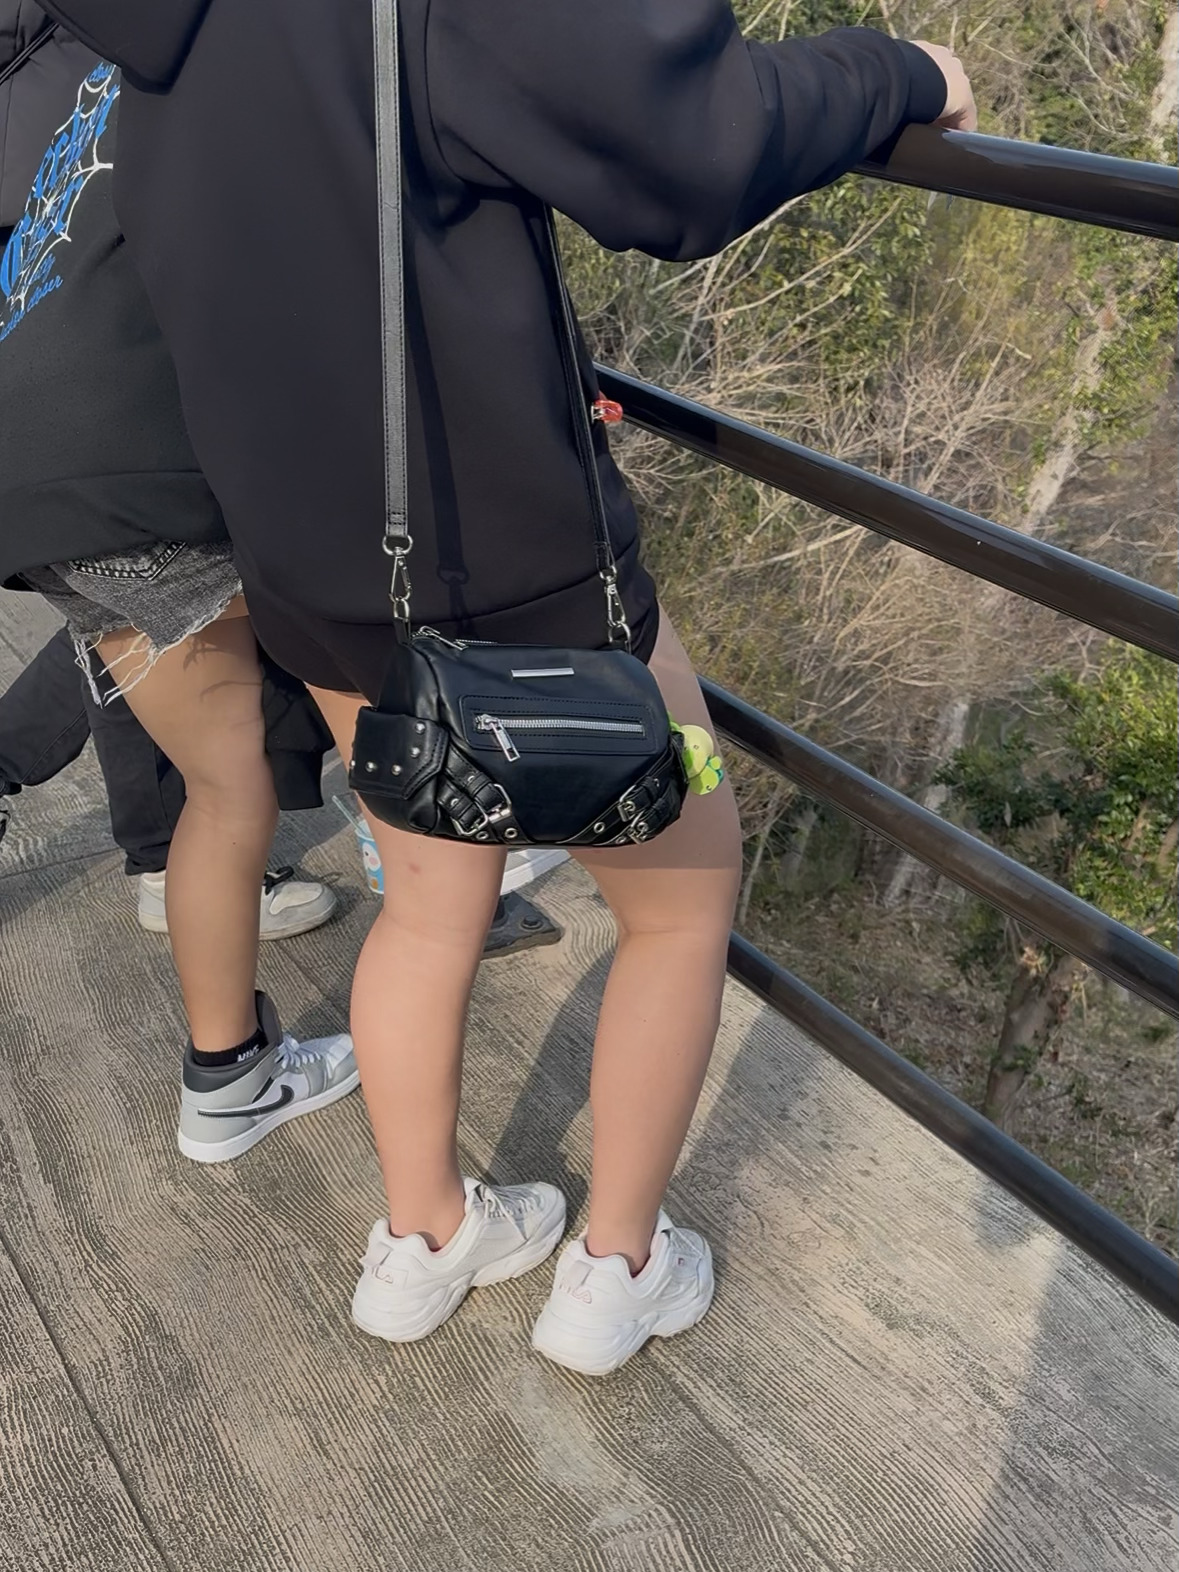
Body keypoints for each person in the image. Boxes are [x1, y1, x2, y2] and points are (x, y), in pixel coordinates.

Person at [45, 0, 975, 1371]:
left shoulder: (144, 39)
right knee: (682, 893)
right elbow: (692, 143)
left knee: (429, 899)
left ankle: (421, 1240)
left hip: (316, 577)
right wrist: (903, 72)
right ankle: (617, 1269)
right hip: (521, 576)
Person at [0, 57, 359, 1160]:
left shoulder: (77, 69)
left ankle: (229, 1080)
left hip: (31, 469)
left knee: (220, 782)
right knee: (344, 709)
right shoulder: (228, 55)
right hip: (136, 461)